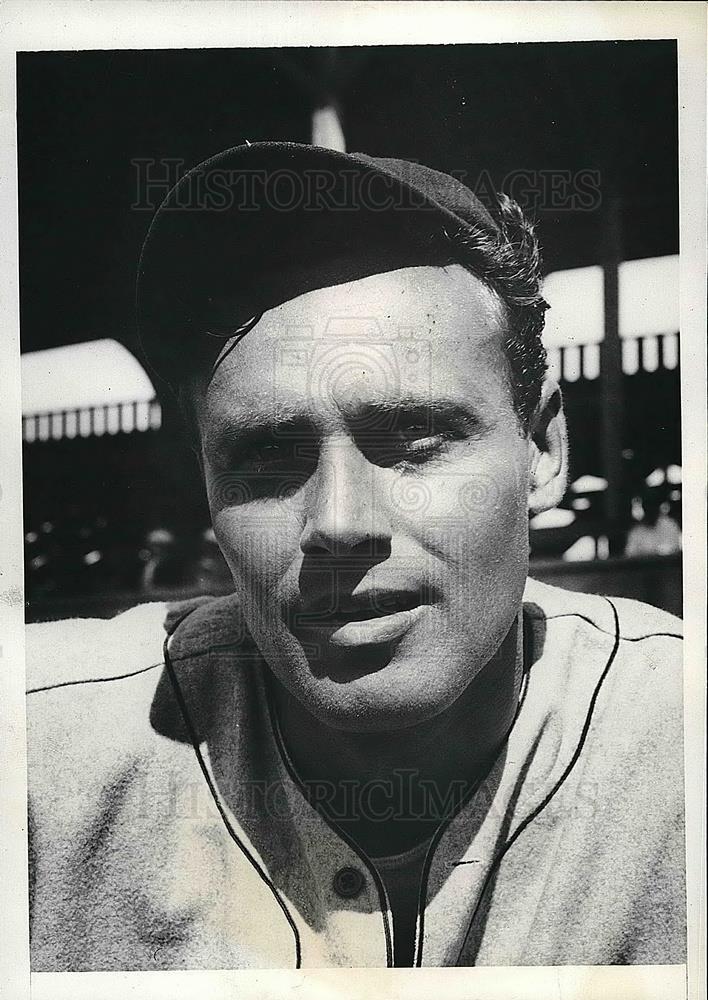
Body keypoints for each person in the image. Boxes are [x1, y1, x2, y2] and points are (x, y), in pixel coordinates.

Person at [26, 143, 684, 970]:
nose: (336, 524)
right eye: (267, 458)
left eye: (415, 441)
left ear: (544, 449)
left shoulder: (677, 740)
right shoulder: (42, 754)